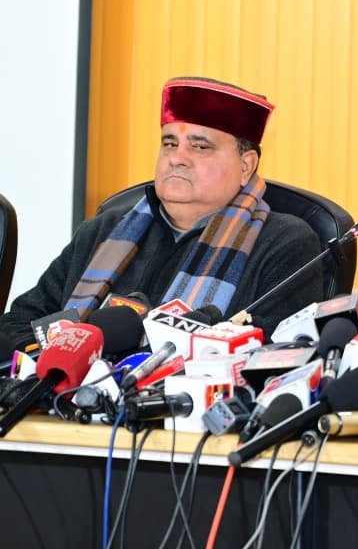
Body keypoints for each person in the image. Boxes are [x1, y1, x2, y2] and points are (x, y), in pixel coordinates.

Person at [0, 77, 324, 347]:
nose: (177, 158)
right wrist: (66, 348)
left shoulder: (284, 242)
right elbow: (15, 327)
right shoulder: (103, 230)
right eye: (169, 144)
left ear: (246, 166)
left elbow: (275, 354)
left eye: (199, 146)